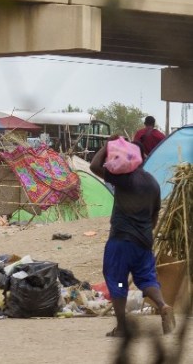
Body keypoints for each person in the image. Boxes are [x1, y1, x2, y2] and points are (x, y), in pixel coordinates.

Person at [90, 138, 174, 338]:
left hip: (121, 242)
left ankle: (122, 327)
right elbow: (154, 218)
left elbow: (94, 166)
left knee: (117, 281)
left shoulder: (124, 179)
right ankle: (163, 305)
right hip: (144, 243)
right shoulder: (153, 183)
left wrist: (108, 145)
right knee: (146, 279)